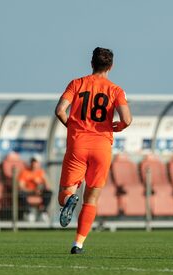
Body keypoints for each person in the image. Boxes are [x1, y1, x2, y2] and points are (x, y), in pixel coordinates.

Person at [55, 47, 132, 254]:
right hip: (102, 147)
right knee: (91, 199)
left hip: (78, 144)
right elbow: (127, 119)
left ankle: (70, 200)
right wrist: (119, 127)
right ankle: (78, 244)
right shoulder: (116, 90)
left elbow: (60, 110)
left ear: (91, 63)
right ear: (111, 66)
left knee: (65, 195)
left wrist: (72, 126)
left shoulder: (77, 83)